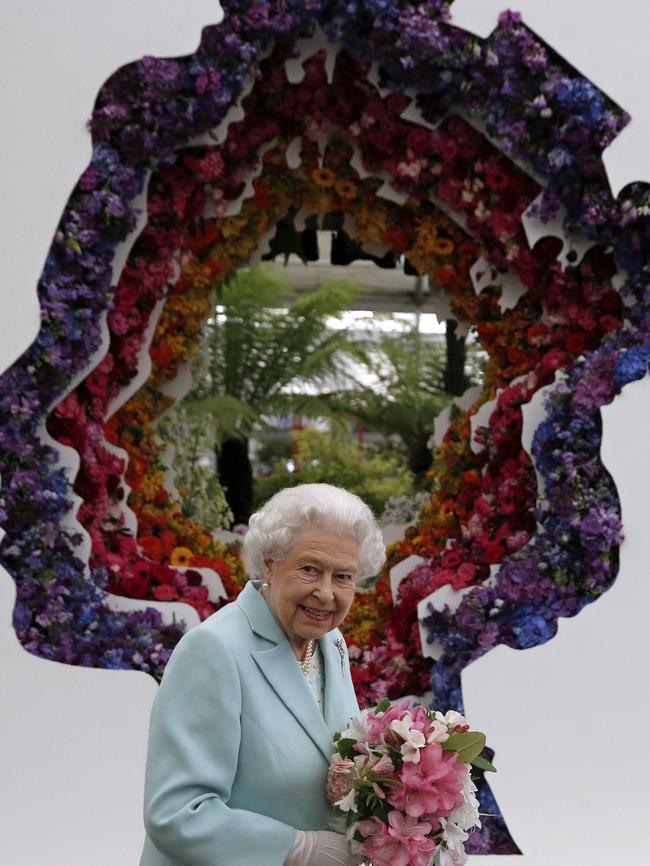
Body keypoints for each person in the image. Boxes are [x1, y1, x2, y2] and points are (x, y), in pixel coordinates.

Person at [139, 483, 386, 866]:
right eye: (309, 569)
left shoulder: (329, 643)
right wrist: (300, 849)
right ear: (270, 563)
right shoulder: (213, 650)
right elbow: (176, 813)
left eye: (343, 577)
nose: (326, 593)